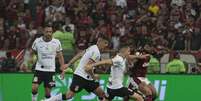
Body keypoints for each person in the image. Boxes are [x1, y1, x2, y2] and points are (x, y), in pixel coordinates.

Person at [45, 36, 109, 101]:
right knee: (69, 95)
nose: (106, 45)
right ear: (99, 41)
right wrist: (94, 76)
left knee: (102, 94)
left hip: (88, 78)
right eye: (105, 43)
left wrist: (69, 64)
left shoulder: (93, 47)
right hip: (80, 77)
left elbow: (80, 54)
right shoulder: (96, 52)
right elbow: (87, 68)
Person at [31, 22, 65, 101]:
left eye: (50, 32)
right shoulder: (37, 41)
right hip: (39, 69)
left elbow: (60, 56)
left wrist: (63, 69)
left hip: (50, 71)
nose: (49, 33)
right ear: (43, 32)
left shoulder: (56, 42)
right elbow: (34, 51)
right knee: (34, 88)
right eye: (47, 32)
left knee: (48, 93)